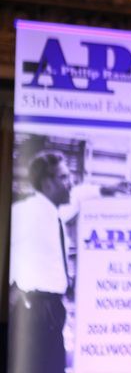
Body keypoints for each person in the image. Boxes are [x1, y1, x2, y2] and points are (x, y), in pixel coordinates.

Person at [8, 151, 73, 373]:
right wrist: (12, 290)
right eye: (64, 177)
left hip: (52, 309)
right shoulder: (26, 211)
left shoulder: (55, 214)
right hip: (33, 308)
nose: (70, 183)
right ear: (47, 183)